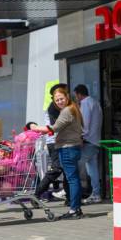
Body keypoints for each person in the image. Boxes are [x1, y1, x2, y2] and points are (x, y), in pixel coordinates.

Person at [32, 88, 84, 219]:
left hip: (67, 147)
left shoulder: (67, 111)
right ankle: (76, 208)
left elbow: (54, 128)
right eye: (57, 100)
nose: (60, 101)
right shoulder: (73, 108)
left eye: (61, 98)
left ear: (67, 97)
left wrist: (33, 127)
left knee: (72, 179)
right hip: (73, 146)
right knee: (73, 178)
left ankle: (74, 210)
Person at [74, 84, 103, 204]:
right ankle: (96, 193)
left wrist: (80, 136)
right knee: (92, 168)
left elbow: (84, 123)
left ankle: (78, 191)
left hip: (87, 140)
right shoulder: (95, 103)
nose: (76, 98)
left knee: (75, 165)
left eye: (75, 95)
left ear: (79, 94)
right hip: (95, 140)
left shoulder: (85, 103)